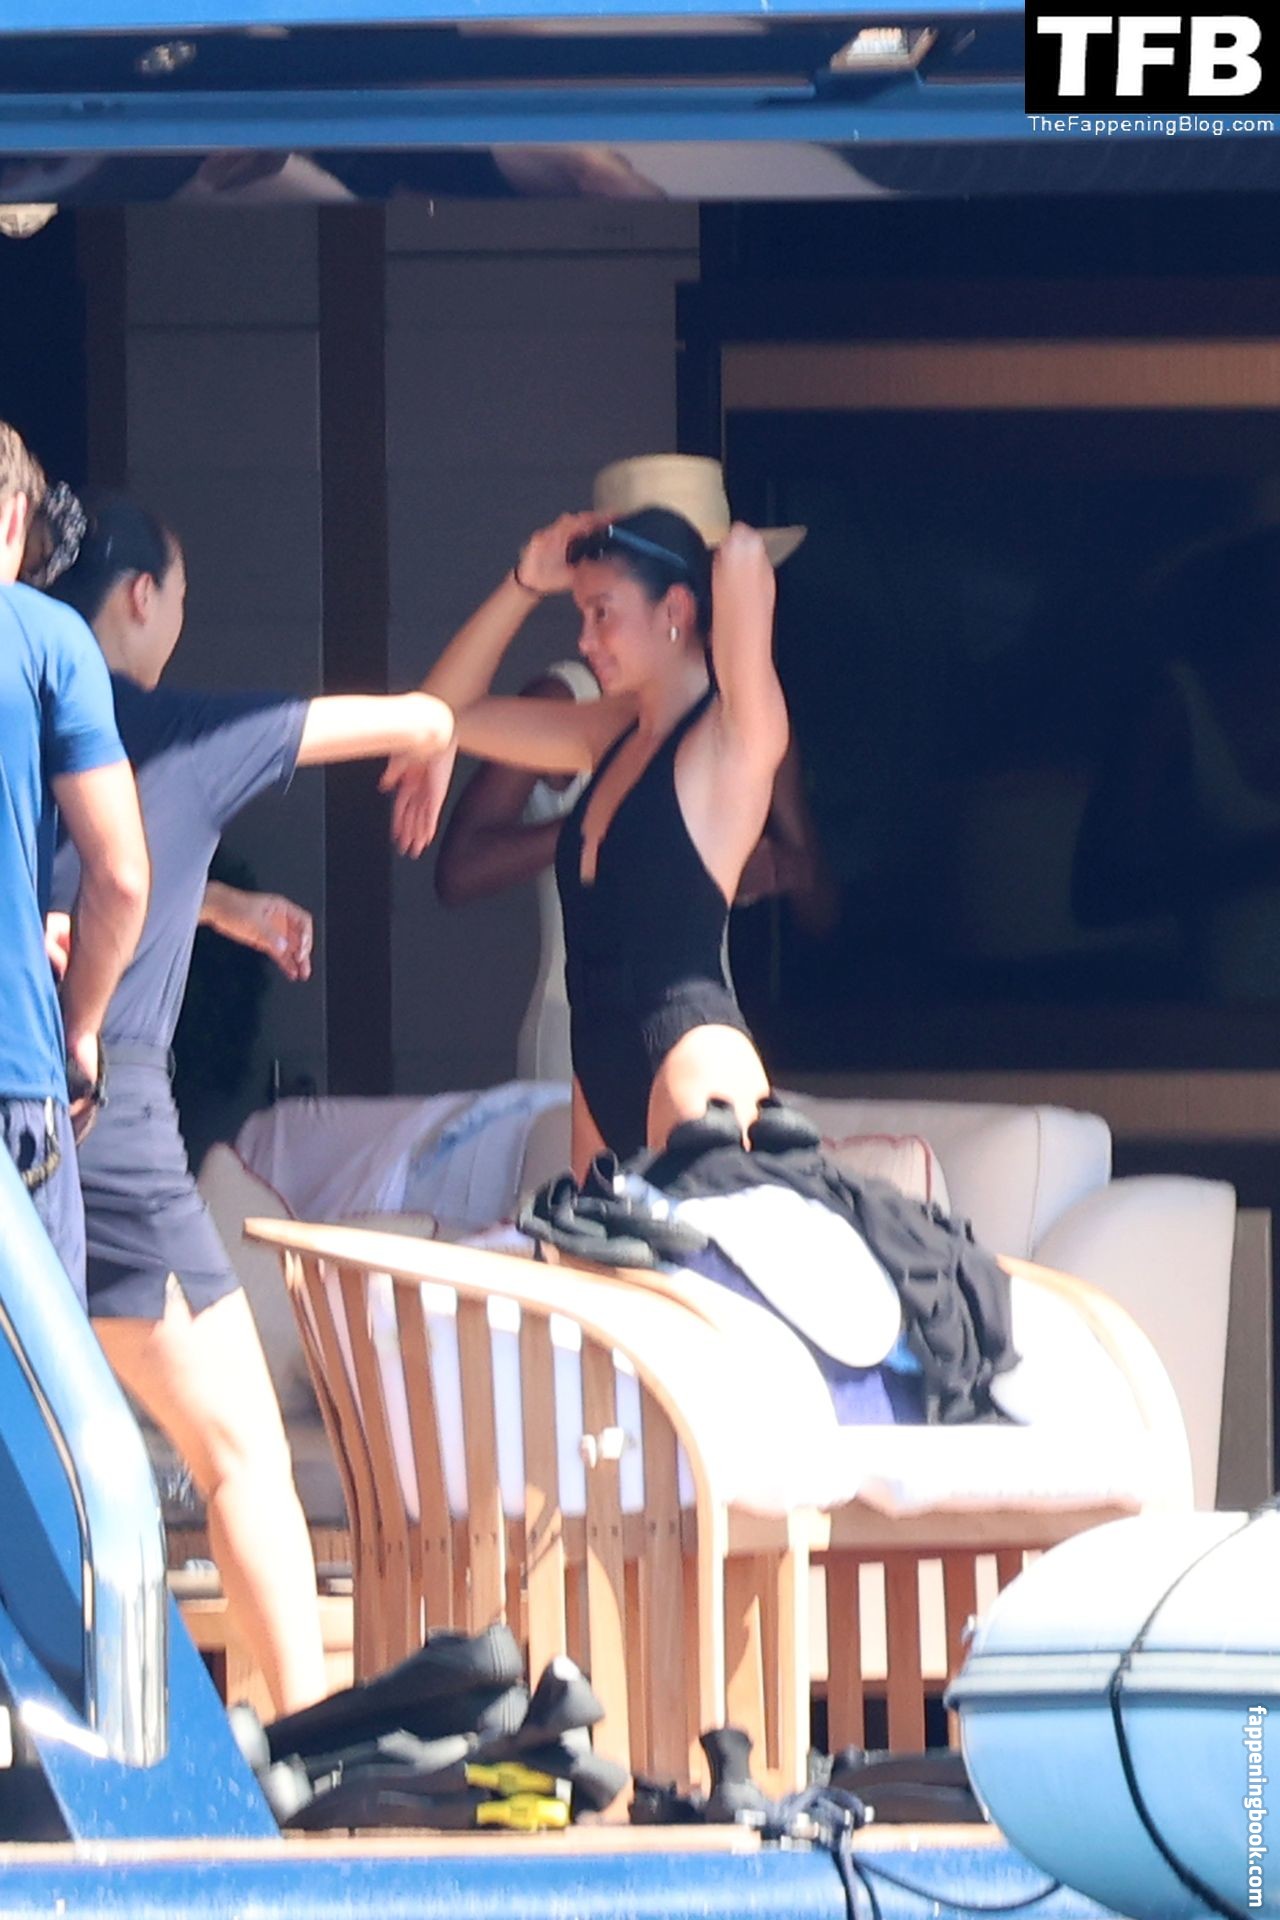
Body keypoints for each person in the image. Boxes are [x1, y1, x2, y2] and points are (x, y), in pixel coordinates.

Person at [51, 493, 455, 1716]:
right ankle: (306, 1735)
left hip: (26, 1090)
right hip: (101, 1116)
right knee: (237, 1453)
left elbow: (99, 863)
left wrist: (224, 908)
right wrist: (434, 731)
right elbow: (394, 717)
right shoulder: (177, 728)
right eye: (179, 596)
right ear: (139, 598)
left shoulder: (22, 721)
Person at [387, 494, 790, 1175]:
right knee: (589, 1246)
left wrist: (687, 529)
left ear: (675, 610)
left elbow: (747, 557)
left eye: (602, 613)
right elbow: (438, 715)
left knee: (690, 1249)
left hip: (691, 1057)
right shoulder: (606, 734)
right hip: (596, 1067)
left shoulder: (734, 735)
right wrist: (523, 584)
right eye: (581, 614)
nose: (583, 640)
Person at [0, 424, 149, 1298]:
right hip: (11, 1065)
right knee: (32, 1373)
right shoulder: (46, 637)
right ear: (12, 518)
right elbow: (121, 874)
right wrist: (80, 1030)